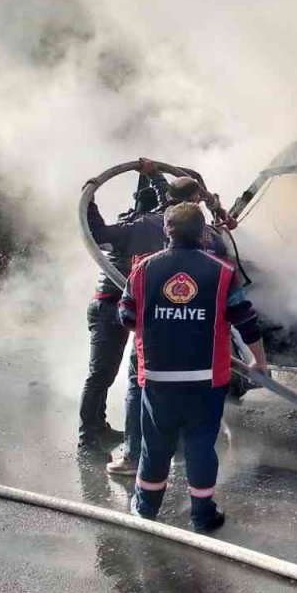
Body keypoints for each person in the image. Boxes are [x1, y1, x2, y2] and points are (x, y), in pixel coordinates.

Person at [118, 203, 268, 532]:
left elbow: (127, 317)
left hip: (158, 377)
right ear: (203, 233)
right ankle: (202, 515)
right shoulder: (222, 271)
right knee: (201, 444)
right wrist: (259, 360)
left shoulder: (142, 270)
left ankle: (145, 511)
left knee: (155, 445)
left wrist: (160, 320)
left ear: (166, 232)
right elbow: (246, 320)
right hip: (206, 378)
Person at [84, 162, 230, 475]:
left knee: (144, 384)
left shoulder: (156, 230)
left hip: (146, 318)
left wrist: (93, 194)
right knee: (116, 377)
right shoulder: (188, 232)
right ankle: (95, 437)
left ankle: (141, 452)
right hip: (141, 315)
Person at [77, 165, 170, 452]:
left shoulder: (140, 226)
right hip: (108, 309)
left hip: (125, 308)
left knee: (109, 373)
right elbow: (96, 231)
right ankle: (88, 435)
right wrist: (88, 199)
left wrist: (90, 198)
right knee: (101, 373)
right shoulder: (142, 227)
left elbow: (98, 230)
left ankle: (99, 427)